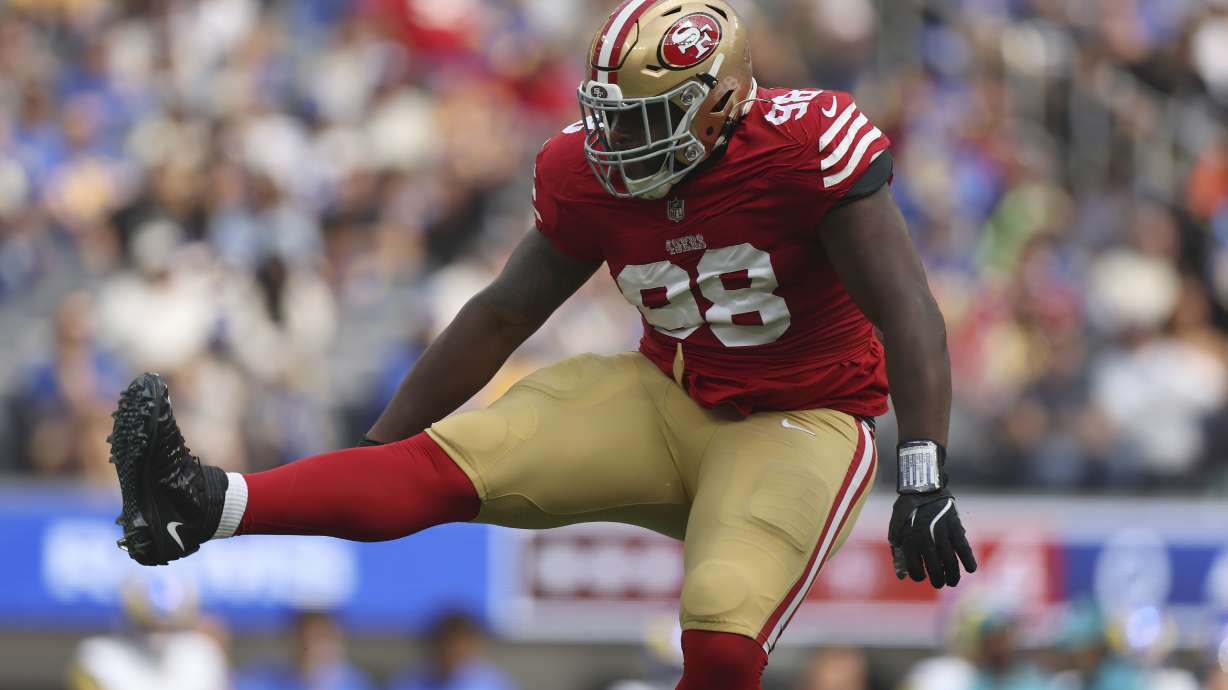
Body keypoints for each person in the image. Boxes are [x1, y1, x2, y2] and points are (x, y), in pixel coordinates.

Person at [106, 2, 977, 688]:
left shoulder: (803, 145)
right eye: (612, 117)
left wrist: (925, 469)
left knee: (719, 637)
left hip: (803, 421)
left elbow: (909, 311)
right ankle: (198, 502)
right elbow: (500, 314)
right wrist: (377, 455)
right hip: (665, 391)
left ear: (719, 103)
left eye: (648, 118)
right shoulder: (584, 172)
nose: (618, 142)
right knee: (449, 461)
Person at [67, 576, 230, 690]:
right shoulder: (98, 659)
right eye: (149, 627)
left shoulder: (201, 657)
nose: (158, 637)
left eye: (169, 628)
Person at [234, 610, 377, 690]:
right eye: (304, 640)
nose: (312, 649)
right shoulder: (261, 681)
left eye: (321, 639)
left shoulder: (356, 685)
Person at [388, 611, 516, 690]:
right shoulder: (409, 683)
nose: (452, 653)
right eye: (446, 646)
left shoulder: (492, 685)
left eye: (459, 648)